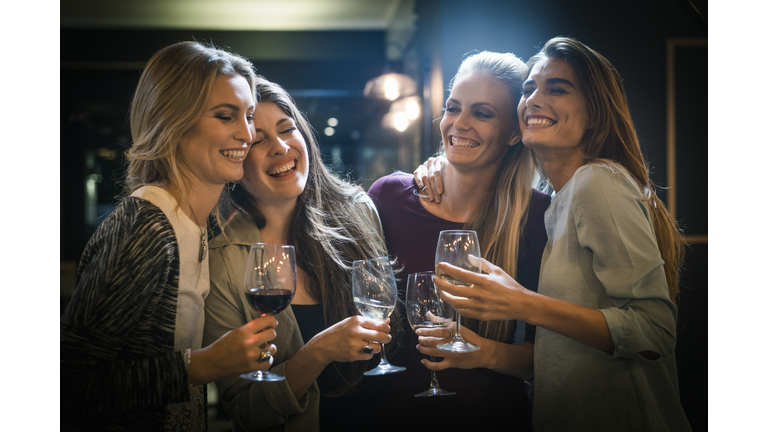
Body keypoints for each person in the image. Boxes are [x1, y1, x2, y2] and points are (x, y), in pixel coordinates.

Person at [432, 37, 692, 431]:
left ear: (594, 114)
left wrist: (522, 303)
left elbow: (655, 332)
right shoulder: (561, 198)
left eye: (557, 89)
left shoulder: (597, 184)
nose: (535, 99)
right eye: (529, 89)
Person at [60, 41, 280, 431]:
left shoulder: (199, 224)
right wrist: (207, 364)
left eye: (248, 116)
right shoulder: (146, 223)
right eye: (226, 116)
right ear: (173, 122)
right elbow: (69, 384)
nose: (247, 134)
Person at [203, 77, 401, 432]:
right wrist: (318, 351)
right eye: (258, 140)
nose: (280, 147)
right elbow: (247, 411)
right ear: (237, 161)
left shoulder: (360, 211)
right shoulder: (223, 258)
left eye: (287, 129)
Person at [367, 51, 550, 431]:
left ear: (515, 132)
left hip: (494, 417)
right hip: (394, 415)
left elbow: (549, 356)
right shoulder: (389, 198)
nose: (459, 124)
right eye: (453, 108)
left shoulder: (537, 217)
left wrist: (484, 354)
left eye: (482, 113)